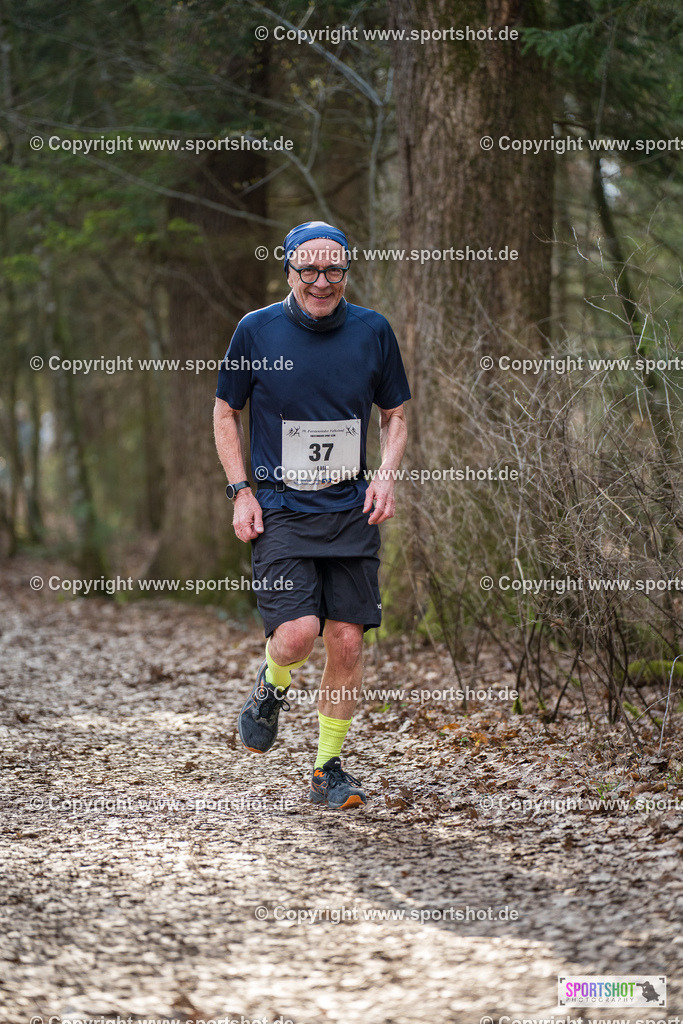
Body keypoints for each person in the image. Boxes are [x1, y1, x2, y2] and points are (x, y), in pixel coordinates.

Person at [213, 220, 410, 809]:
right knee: (298, 636)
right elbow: (227, 412)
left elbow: (395, 412)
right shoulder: (257, 330)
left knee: (347, 643)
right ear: (289, 269)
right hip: (282, 510)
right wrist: (240, 491)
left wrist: (386, 473)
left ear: (346, 270)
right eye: (309, 270)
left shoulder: (373, 331)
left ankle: (327, 768)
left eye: (334, 270)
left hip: (352, 510)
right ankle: (272, 686)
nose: (321, 282)